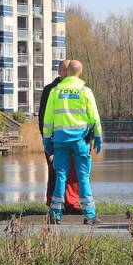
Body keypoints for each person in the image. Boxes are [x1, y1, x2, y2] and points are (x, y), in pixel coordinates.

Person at [42, 60, 103, 225]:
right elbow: (94, 116)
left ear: (66, 72)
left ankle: (55, 214)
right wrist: (98, 135)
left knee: (60, 176)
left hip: (61, 141)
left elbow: (48, 119)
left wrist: (47, 140)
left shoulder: (55, 91)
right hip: (80, 141)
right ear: (80, 72)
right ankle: (90, 216)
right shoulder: (85, 91)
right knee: (83, 177)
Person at [38, 60, 81, 212]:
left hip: (75, 137)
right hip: (54, 139)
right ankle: (54, 203)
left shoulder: (79, 89)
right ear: (59, 72)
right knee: (55, 171)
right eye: (64, 69)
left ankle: (72, 203)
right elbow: (43, 116)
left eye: (69, 69)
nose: (67, 72)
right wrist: (46, 138)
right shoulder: (50, 90)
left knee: (74, 173)